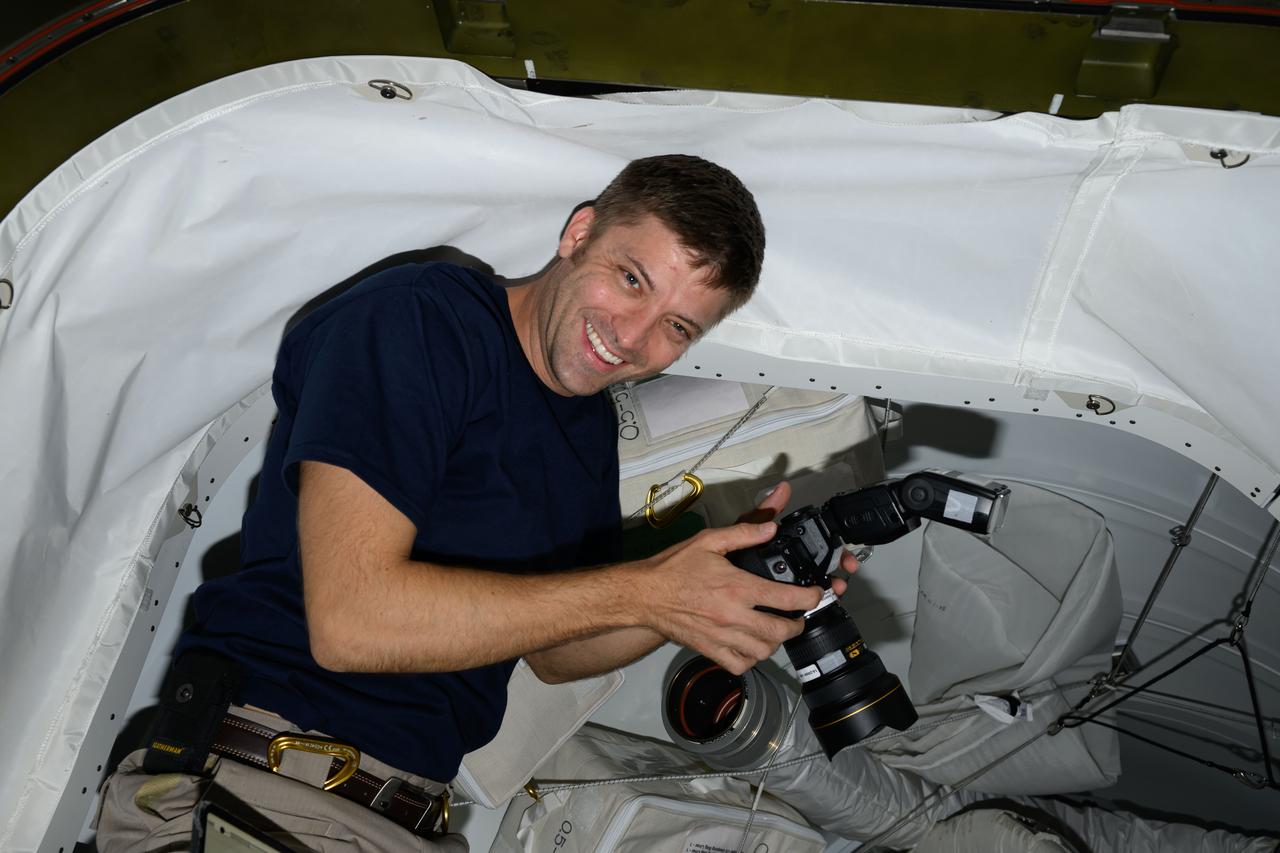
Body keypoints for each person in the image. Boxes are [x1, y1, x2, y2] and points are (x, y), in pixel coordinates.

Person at [97, 154, 854, 852]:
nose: (632, 337)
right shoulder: (421, 322)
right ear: (579, 232)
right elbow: (352, 621)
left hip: (409, 818)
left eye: (677, 328)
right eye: (631, 279)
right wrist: (648, 589)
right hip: (264, 793)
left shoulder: (584, 425)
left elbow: (557, 652)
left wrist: (702, 591)